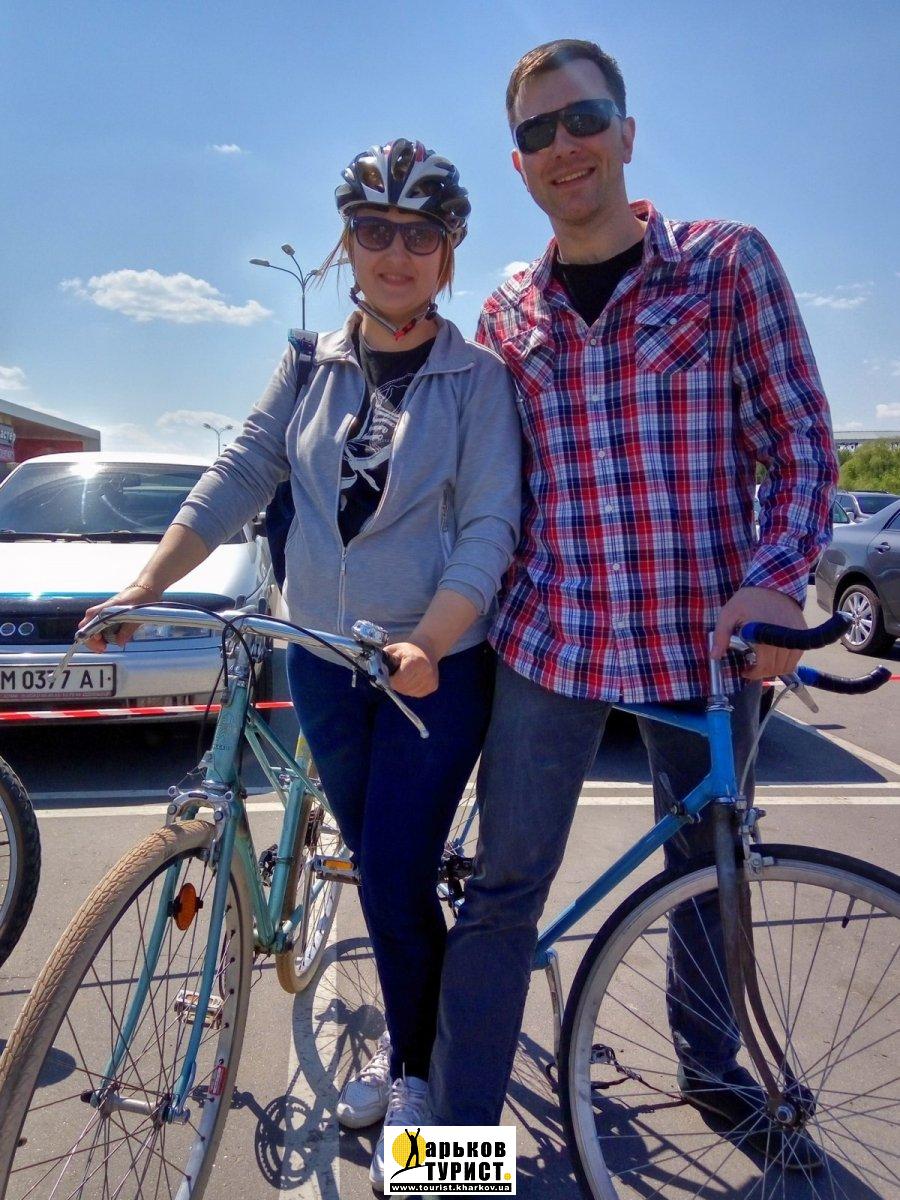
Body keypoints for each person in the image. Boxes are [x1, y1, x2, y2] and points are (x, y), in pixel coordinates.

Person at [79, 139, 521, 1192]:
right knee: (376, 866)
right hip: (321, 658)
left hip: (432, 670)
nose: (396, 254)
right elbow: (242, 470)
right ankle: (417, 1040)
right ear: (346, 245)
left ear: (450, 252)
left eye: (420, 235)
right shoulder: (308, 363)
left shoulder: (480, 380)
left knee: (399, 874)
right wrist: (146, 583)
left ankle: (420, 1087)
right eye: (374, 231)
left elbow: (489, 526)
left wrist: (434, 637)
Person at [427, 40, 838, 1166]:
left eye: (583, 118)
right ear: (518, 163)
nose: (564, 146)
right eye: (537, 132)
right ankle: (450, 1158)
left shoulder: (727, 263)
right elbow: (480, 481)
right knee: (505, 889)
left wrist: (778, 575)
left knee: (709, 877)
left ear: (626, 131)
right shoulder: (508, 311)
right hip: (551, 644)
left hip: (705, 647)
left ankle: (713, 1072)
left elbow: (801, 440)